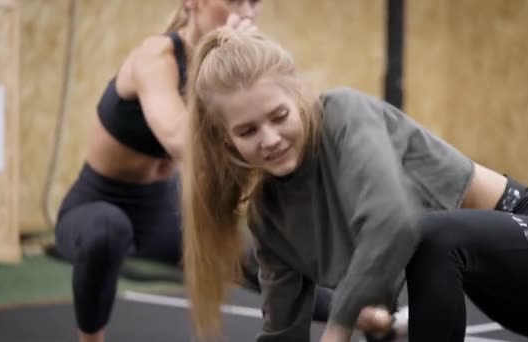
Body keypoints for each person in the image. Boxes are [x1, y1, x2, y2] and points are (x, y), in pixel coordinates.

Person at [180, 26, 528, 342]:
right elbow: (282, 330)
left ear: (299, 97)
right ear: (226, 139)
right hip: (481, 276)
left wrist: (339, 327)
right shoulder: (268, 219)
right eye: (248, 131)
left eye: (278, 116)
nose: (269, 139)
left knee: (432, 233)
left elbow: (394, 223)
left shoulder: (344, 114)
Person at [53, 1, 398, 341]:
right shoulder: (156, 56)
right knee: (106, 232)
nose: (246, 10)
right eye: (234, 0)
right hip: (98, 202)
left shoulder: (227, 73)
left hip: (164, 209)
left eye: (254, 2)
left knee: (260, 253)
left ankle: (366, 317)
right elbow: (180, 141)